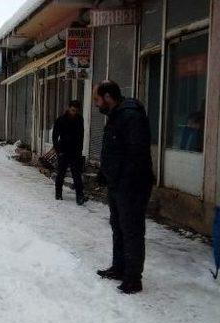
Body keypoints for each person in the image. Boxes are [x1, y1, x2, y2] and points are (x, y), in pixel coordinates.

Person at [94, 80, 153, 295]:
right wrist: (105, 172)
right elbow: (114, 149)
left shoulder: (131, 116)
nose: (96, 104)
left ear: (108, 97)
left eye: (98, 99)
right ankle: (119, 268)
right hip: (117, 183)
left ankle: (133, 278)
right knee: (118, 227)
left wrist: (122, 178)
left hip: (132, 185)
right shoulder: (115, 115)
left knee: (132, 230)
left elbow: (136, 153)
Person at [52, 100, 86, 205]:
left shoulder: (80, 119)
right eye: (72, 110)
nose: (74, 112)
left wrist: (80, 151)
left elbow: (81, 136)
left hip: (75, 152)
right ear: (69, 108)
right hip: (63, 151)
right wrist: (58, 150)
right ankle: (58, 193)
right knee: (61, 173)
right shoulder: (61, 120)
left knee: (77, 175)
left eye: (76, 111)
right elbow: (55, 136)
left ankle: (80, 196)